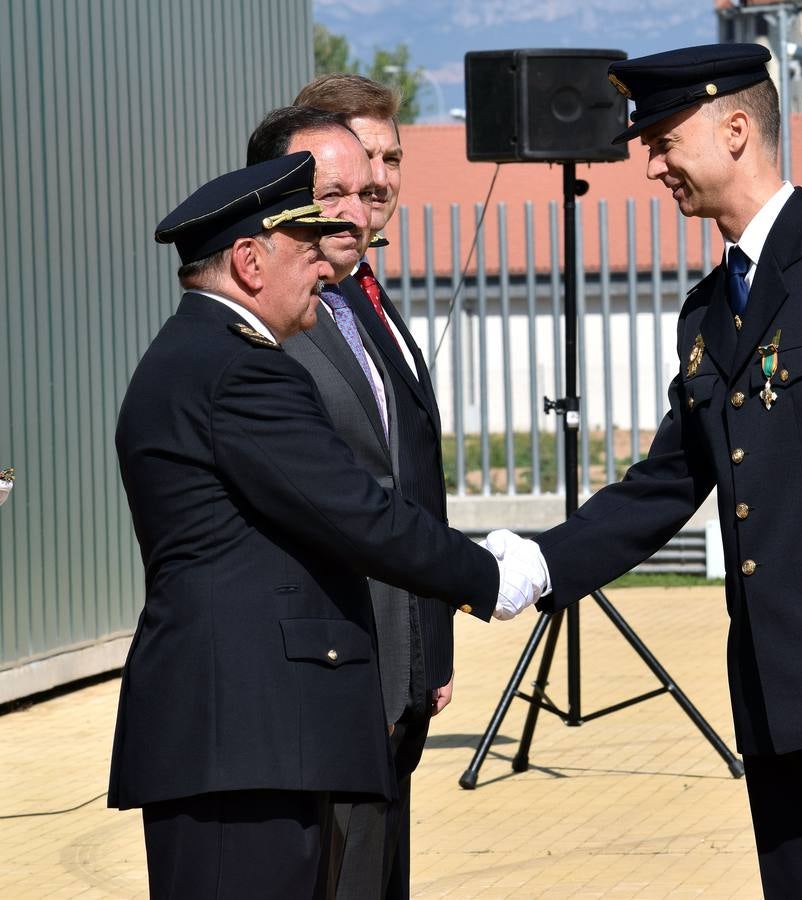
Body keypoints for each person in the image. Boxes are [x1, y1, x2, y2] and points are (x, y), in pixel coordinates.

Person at [488, 44, 802, 899]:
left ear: (732, 129)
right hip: (772, 680)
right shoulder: (711, 307)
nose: (650, 165)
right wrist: (545, 562)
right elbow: (668, 480)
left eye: (662, 140)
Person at [109, 152, 536, 899]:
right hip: (243, 739)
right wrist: (489, 577)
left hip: (248, 736)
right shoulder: (240, 368)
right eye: (308, 252)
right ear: (249, 260)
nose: (327, 271)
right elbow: (355, 514)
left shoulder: (202, 355)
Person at [280, 73, 453, 900]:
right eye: (351, 168)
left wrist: (431, 646)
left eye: (389, 158)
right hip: (340, 660)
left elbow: (411, 472)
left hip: (400, 661)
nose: (377, 181)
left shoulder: (361, 297)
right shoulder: (290, 309)